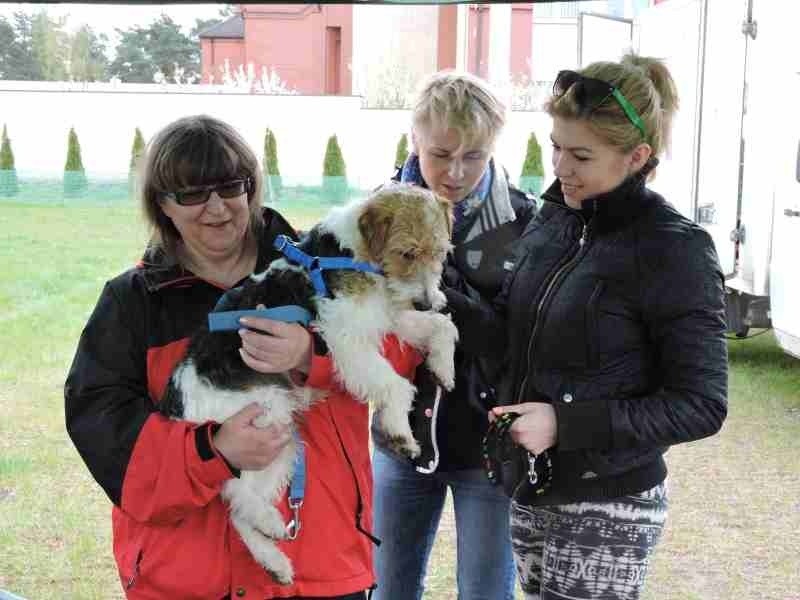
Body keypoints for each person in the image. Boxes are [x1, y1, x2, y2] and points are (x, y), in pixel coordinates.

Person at [64, 115, 422, 600]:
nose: (216, 208)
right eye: (191, 193)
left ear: (251, 187)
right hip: (188, 577)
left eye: (230, 186)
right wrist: (214, 451)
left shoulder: (317, 264)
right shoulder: (133, 303)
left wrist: (311, 353)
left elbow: (401, 352)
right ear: (162, 204)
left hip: (318, 564)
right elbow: (105, 431)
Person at [445, 54, 728, 600]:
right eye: (555, 146)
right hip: (532, 486)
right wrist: (436, 299)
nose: (560, 167)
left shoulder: (675, 248)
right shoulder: (555, 219)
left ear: (637, 157)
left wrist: (564, 424)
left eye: (580, 155)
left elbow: (701, 404)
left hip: (610, 501)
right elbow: (507, 335)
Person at [371, 70, 537, 600]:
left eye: (475, 156)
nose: (456, 172)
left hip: (488, 449)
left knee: (486, 593)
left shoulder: (528, 221)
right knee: (387, 588)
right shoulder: (375, 214)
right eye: (441, 153)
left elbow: (516, 343)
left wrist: (442, 292)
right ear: (413, 138)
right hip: (399, 441)